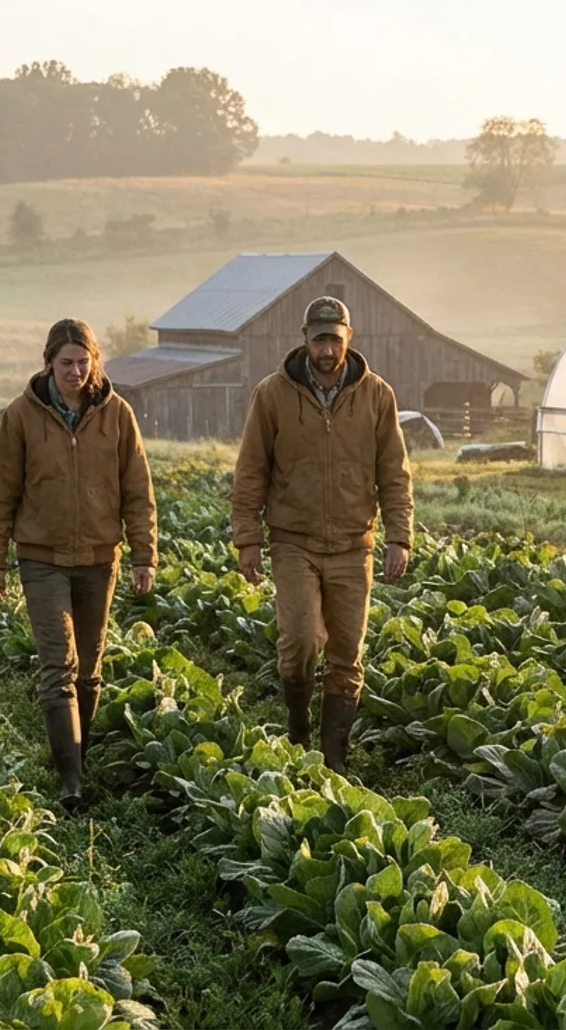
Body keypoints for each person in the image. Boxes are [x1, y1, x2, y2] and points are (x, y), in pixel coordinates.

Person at [231, 295, 413, 775]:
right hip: (294, 541)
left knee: (346, 655)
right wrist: (247, 538)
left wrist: (400, 536)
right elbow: (251, 470)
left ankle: (333, 760)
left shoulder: (377, 396)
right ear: (304, 339)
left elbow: (394, 473)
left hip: (355, 544)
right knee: (299, 643)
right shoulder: (272, 394)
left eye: (335, 339)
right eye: (319, 339)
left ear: (348, 339)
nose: (327, 349)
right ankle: (297, 727)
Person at [0, 319, 157, 811]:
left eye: (83, 362)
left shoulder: (117, 415)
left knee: (90, 670)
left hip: (101, 558)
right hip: (42, 557)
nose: (75, 371)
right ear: (48, 364)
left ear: (94, 362)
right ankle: (71, 783)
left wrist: (145, 555)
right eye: (66, 363)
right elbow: (1, 494)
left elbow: (138, 492)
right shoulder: (21, 417)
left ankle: (81, 752)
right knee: (59, 665)